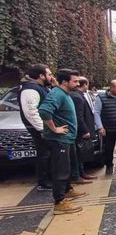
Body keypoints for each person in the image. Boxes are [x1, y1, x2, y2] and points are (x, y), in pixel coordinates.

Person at [38, 69, 86, 214]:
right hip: (60, 139)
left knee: (68, 166)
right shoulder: (58, 94)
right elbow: (44, 111)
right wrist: (54, 129)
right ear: (65, 82)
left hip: (67, 138)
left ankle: (67, 190)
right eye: (75, 81)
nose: (78, 83)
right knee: (61, 170)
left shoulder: (61, 92)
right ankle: (59, 202)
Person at [18, 64, 54, 191]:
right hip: (40, 128)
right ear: (41, 76)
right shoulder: (30, 89)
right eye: (49, 74)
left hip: (45, 126)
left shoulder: (40, 87)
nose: (51, 77)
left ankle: (49, 178)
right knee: (44, 154)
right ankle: (43, 182)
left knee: (48, 153)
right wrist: (42, 129)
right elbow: (31, 112)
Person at [95, 79, 116, 176]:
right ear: (112, 88)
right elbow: (96, 112)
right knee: (108, 150)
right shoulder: (101, 98)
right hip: (108, 129)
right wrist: (100, 127)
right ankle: (109, 166)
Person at [70, 77, 97, 184]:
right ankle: (77, 176)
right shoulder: (77, 97)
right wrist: (85, 130)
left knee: (80, 154)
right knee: (77, 154)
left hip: (80, 130)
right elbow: (79, 116)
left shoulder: (79, 95)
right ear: (85, 84)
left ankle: (82, 173)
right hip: (80, 131)